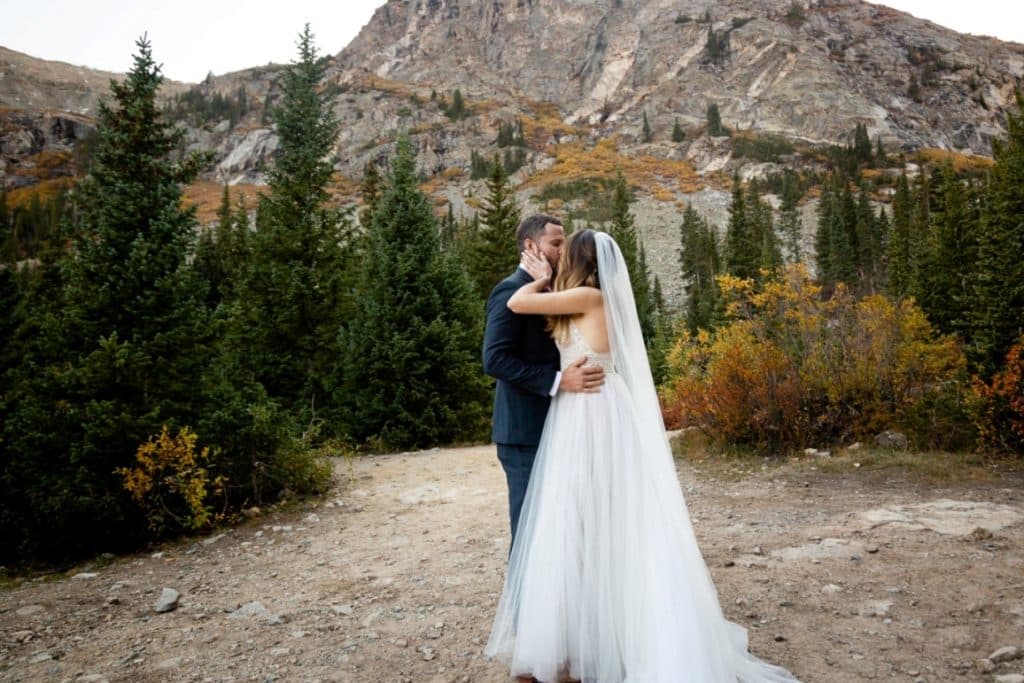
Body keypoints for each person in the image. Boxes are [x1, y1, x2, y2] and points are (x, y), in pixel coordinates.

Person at [485, 230, 799, 683]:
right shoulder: (584, 298)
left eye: (562, 249)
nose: (555, 255)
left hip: (591, 415)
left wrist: (534, 279)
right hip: (586, 413)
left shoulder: (589, 297)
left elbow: (519, 305)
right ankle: (583, 636)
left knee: (590, 521)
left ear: (575, 260)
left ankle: (587, 640)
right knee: (586, 522)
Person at [483, 214, 606, 547]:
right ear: (530, 246)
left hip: (563, 426)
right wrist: (557, 381)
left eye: (565, 242)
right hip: (525, 430)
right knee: (530, 530)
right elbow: (494, 359)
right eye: (555, 243)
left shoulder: (562, 291)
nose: (563, 249)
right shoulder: (509, 290)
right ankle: (524, 601)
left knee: (559, 530)